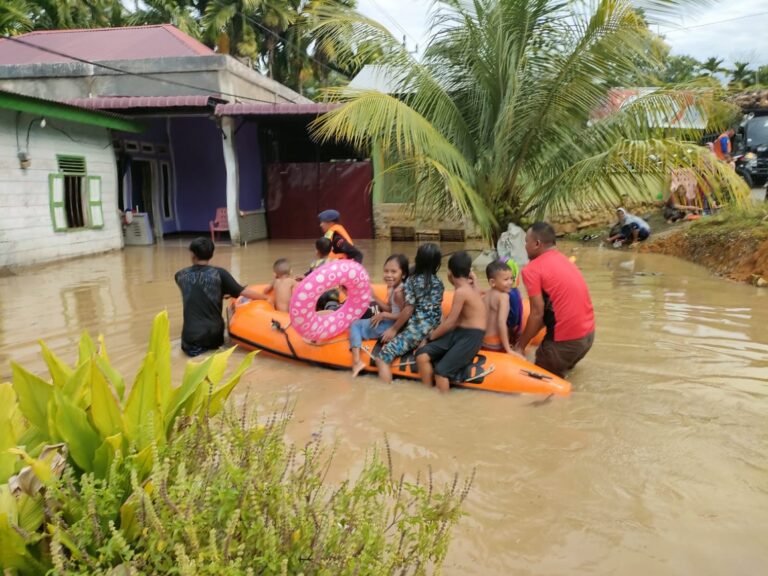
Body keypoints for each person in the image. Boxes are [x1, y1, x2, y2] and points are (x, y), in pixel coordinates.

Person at [516, 222, 595, 377]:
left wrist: (520, 346)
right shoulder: (564, 260)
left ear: (537, 244)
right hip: (587, 338)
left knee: (538, 384)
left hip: (566, 342)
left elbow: (537, 313)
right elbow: (550, 310)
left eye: (526, 242)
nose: (524, 246)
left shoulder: (532, 269)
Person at [175, 237, 265, 357]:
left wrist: (221, 292)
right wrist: (266, 298)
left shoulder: (180, 275)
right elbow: (243, 291)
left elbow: (196, 291)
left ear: (192, 255)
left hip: (192, 337)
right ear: (211, 254)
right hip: (215, 335)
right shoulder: (220, 273)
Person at [415, 251, 487, 392]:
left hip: (471, 336)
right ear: (468, 272)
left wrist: (429, 338)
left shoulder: (461, 292)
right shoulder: (469, 288)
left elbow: (450, 322)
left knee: (441, 372)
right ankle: (427, 393)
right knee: (422, 355)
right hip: (460, 332)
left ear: (449, 272)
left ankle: (443, 405)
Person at [374, 243, 444, 384]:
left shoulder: (412, 281)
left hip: (416, 331)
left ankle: (385, 393)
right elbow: (436, 309)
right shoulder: (439, 283)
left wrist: (394, 329)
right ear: (437, 263)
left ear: (418, 260)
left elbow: (408, 308)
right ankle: (424, 343)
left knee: (382, 358)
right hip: (434, 328)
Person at [349, 254, 409, 377]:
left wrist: (383, 315)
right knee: (360, 322)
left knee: (355, 324)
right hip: (391, 321)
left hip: (394, 326)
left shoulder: (399, 292)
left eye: (393, 271)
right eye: (386, 271)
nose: (389, 275)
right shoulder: (393, 288)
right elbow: (392, 309)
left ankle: (356, 362)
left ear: (403, 274)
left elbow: (405, 315)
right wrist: (375, 297)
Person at [482, 260, 523, 355]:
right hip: (495, 343)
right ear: (492, 282)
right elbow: (501, 323)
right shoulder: (503, 297)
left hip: (483, 341)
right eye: (505, 279)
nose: (510, 282)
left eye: (511, 278)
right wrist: (508, 348)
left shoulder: (486, 294)